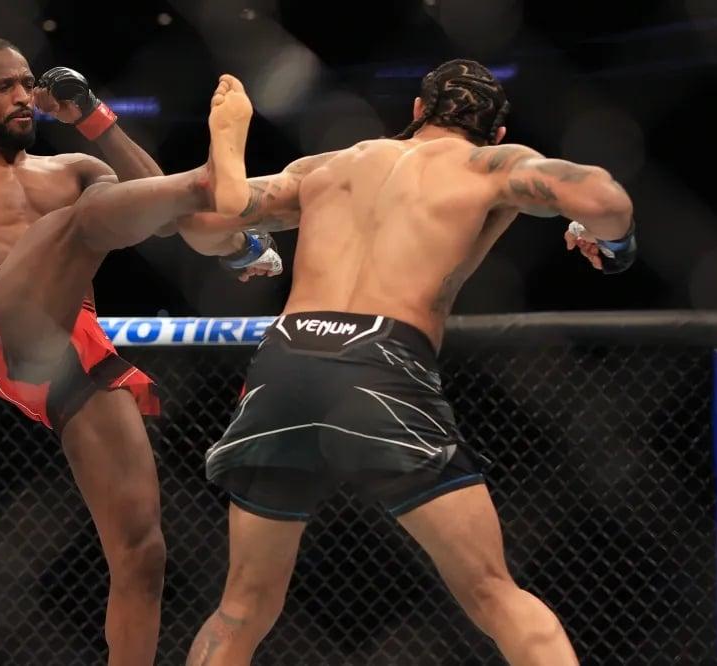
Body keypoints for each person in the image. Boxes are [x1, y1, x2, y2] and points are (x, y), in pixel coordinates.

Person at [184, 60, 636, 665]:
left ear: (417, 113)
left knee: (241, 608)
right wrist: (611, 241)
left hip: (285, 361)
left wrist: (245, 246)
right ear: (497, 134)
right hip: (379, 367)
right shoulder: (491, 165)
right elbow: (606, 197)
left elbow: (203, 223)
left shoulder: (330, 164)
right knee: (493, 593)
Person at [0, 36, 279, 666]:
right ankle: (222, 189)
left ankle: (227, 214)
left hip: (78, 345)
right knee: (80, 218)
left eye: (29, 83)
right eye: (4, 86)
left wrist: (91, 118)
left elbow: (158, 211)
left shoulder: (70, 169)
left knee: (142, 552)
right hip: (0, 328)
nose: (25, 96)